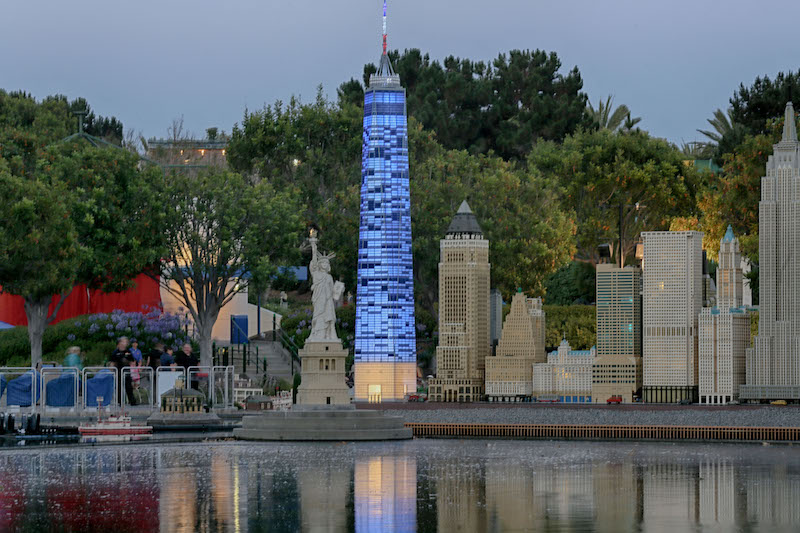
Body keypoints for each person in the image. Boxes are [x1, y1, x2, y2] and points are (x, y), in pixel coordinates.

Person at [110, 337, 136, 406]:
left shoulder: (128, 351)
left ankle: (132, 401)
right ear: (119, 343)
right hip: (118, 371)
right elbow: (112, 362)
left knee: (129, 387)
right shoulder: (115, 352)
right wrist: (112, 371)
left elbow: (132, 361)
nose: (125, 344)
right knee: (119, 387)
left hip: (126, 371)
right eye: (124, 342)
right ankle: (119, 402)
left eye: (126, 342)